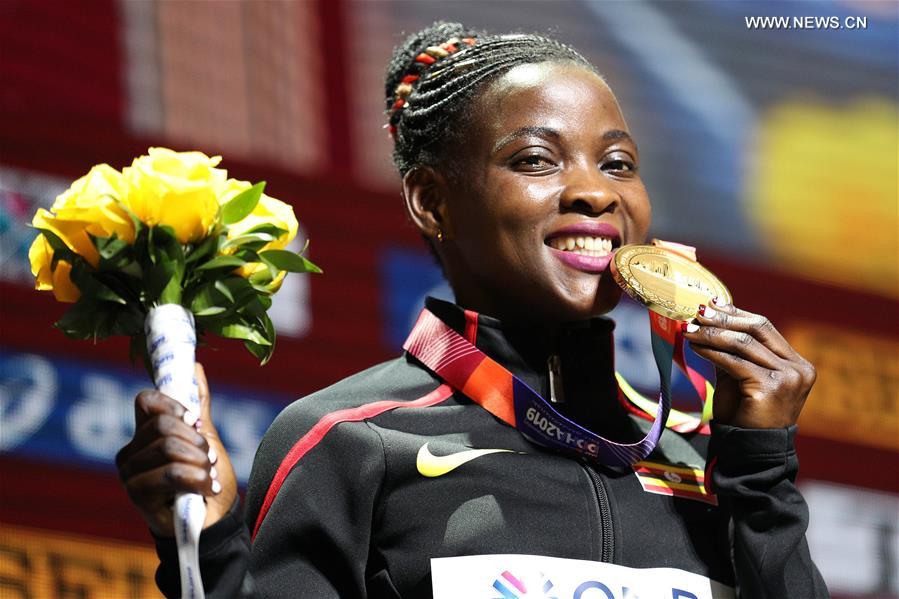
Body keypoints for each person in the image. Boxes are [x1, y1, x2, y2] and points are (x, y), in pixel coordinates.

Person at [115, 22, 828, 598]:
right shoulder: (347, 438)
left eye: (615, 164)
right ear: (432, 200)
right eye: (535, 160)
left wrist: (758, 468)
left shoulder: (705, 454)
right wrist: (206, 546)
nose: (594, 193)